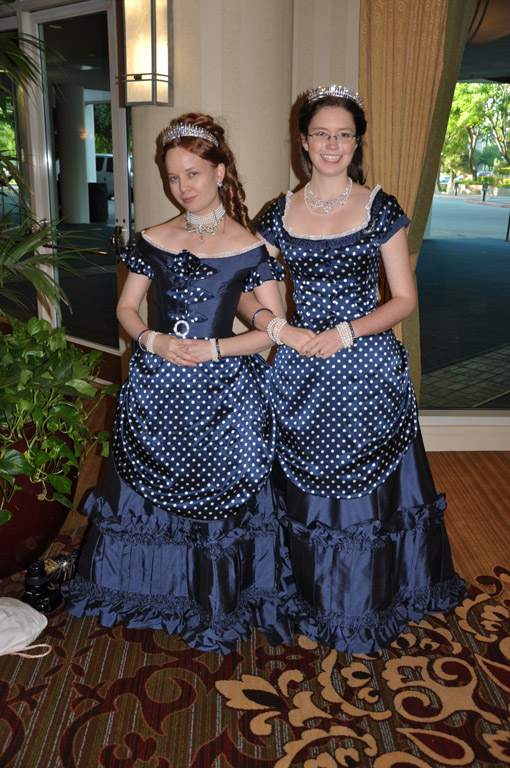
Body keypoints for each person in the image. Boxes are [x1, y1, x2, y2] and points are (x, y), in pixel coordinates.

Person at [63, 113, 295, 653]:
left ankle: (214, 595)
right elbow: (126, 308)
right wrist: (153, 341)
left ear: (220, 172)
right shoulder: (152, 239)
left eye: (193, 173)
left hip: (225, 394)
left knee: (219, 488)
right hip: (157, 384)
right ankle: (143, 588)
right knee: (145, 484)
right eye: (173, 176)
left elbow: (273, 330)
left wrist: (215, 348)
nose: (183, 187)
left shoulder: (251, 246)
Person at [249, 85, 467, 653]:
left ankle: (372, 595)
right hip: (300, 367)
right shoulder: (277, 214)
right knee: (299, 490)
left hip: (366, 366)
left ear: (356, 142)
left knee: (373, 494)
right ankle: (306, 593)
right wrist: (279, 329)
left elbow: (404, 299)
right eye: (321, 133)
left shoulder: (380, 208)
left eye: (344, 135)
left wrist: (348, 331)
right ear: (303, 141)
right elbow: (250, 291)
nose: (332, 144)